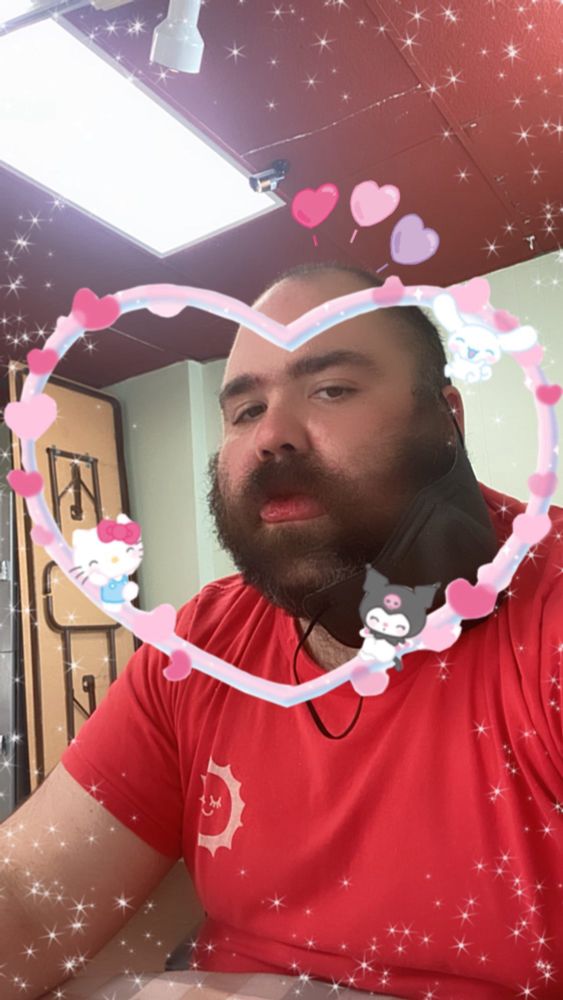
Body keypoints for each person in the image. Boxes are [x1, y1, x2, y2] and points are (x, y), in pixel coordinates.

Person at [1, 262, 561, 1000]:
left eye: (331, 389)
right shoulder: (201, 643)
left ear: (444, 419)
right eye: (245, 410)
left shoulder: (547, 612)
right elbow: (32, 893)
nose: (271, 435)